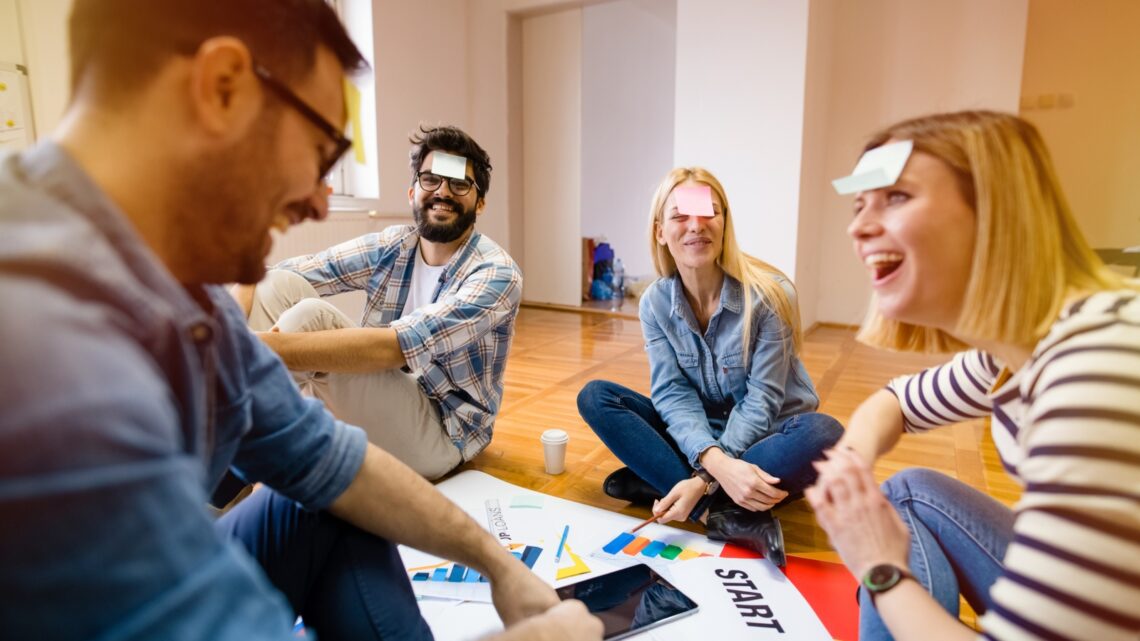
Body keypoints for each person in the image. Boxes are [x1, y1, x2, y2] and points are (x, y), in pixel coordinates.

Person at [0, 1, 601, 640]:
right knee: (299, 299)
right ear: (222, 87)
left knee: (328, 487)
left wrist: (496, 563)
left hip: (439, 426)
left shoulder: (172, 292)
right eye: (322, 148)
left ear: (480, 198)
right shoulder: (38, 338)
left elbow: (332, 460)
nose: (320, 198)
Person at [806, 110, 1140, 641]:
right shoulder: (1011, 351)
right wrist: (852, 461)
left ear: (997, 213)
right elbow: (895, 402)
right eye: (859, 204)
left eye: (896, 197)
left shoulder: (1097, 372)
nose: (858, 226)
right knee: (910, 489)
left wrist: (879, 568)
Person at [577, 167, 845, 567]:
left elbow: (764, 400)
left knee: (825, 433)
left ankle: (666, 482)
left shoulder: (771, 295)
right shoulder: (654, 303)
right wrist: (714, 467)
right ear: (660, 232)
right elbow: (672, 393)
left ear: (724, 223)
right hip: (703, 440)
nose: (696, 226)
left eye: (708, 213)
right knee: (597, 397)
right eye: (680, 215)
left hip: (766, 440)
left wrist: (704, 476)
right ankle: (719, 512)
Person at [232, 125, 520, 480]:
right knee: (277, 286)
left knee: (308, 317)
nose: (443, 192)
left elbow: (398, 347)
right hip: (381, 394)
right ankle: (246, 435)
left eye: (459, 184)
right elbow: (272, 274)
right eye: (431, 179)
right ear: (413, 191)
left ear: (480, 202)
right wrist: (228, 328)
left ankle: (236, 457)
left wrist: (260, 347)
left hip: (444, 434)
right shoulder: (394, 245)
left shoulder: (496, 273)